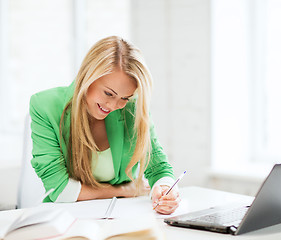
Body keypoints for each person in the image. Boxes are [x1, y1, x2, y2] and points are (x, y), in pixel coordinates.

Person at [29, 36, 179, 214]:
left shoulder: (132, 108)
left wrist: (166, 190)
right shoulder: (44, 106)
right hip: (67, 219)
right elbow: (59, 190)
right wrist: (123, 191)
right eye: (109, 93)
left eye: (125, 98)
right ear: (88, 76)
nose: (114, 105)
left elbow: (159, 168)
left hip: (122, 216)